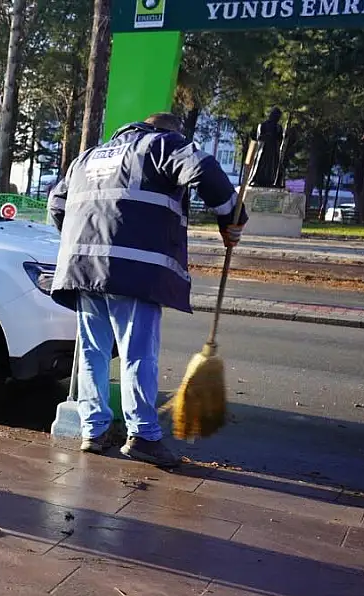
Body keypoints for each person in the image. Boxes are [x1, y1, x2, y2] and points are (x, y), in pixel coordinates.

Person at [47, 113, 246, 469]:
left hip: (83, 269)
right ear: (169, 130)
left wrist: (81, 242)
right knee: (137, 352)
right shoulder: (161, 144)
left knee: (93, 352)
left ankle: (93, 430)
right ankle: (143, 436)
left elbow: (56, 205)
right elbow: (204, 168)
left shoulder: (88, 157)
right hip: (132, 271)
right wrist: (231, 217)